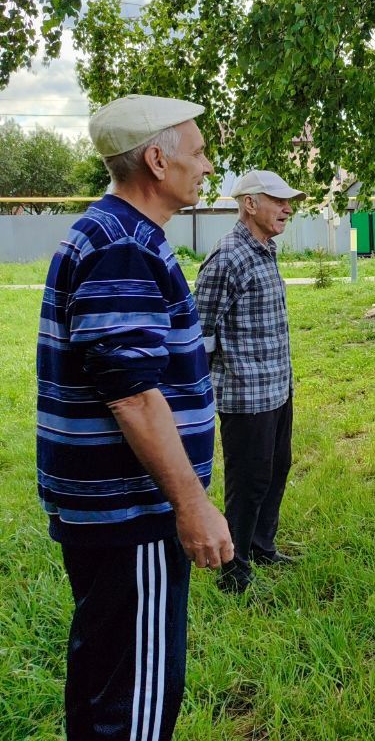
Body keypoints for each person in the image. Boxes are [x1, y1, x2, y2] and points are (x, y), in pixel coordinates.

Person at [36, 94, 233, 741]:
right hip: (134, 517)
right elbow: (131, 394)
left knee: (103, 681)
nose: (207, 165)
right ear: (157, 159)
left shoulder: (110, 233)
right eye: (199, 151)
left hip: (109, 516)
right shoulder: (125, 246)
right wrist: (193, 505)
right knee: (136, 709)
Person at [195, 170, 304, 594]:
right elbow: (200, 332)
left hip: (278, 386)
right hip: (245, 394)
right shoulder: (227, 257)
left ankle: (261, 546)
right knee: (249, 481)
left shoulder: (265, 250)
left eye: (288, 201)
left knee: (277, 469)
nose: (287, 208)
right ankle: (234, 571)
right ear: (250, 204)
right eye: (278, 201)